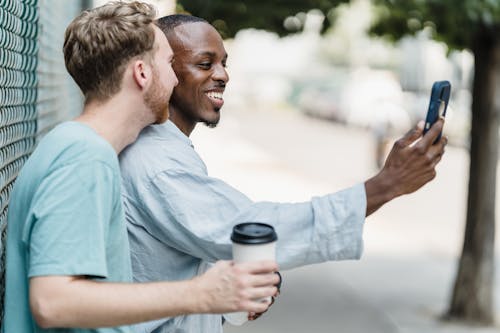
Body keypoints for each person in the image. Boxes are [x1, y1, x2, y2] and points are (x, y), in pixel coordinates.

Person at [119, 14, 448, 333]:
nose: (222, 75)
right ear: (161, 72)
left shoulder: (167, 151)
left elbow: (195, 251)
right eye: (205, 64)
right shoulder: (157, 165)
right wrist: (384, 185)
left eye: (224, 63)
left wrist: (228, 297)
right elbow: (254, 228)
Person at [2, 4, 279, 333]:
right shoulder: (84, 158)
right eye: (167, 63)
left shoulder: (77, 146)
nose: (175, 78)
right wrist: (200, 294)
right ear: (142, 73)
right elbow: (54, 302)